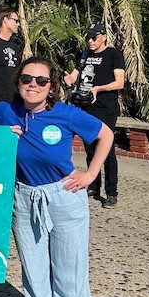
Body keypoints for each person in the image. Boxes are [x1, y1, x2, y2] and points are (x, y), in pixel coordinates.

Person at [0, 57, 114, 297]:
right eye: (27, 79)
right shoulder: (4, 112)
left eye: (41, 81)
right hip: (25, 197)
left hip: (64, 196)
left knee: (68, 269)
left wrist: (91, 174)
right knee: (33, 270)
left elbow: (106, 135)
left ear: (51, 87)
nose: (34, 85)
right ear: (18, 83)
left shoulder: (66, 113)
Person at [62, 23, 125, 208]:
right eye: (87, 37)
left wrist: (99, 88)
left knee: (107, 150)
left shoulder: (114, 54)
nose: (90, 41)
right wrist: (69, 79)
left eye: (94, 37)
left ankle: (111, 192)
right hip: (85, 106)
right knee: (90, 147)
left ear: (103, 37)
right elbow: (75, 75)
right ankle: (93, 186)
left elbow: (120, 82)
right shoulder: (84, 54)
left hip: (105, 107)